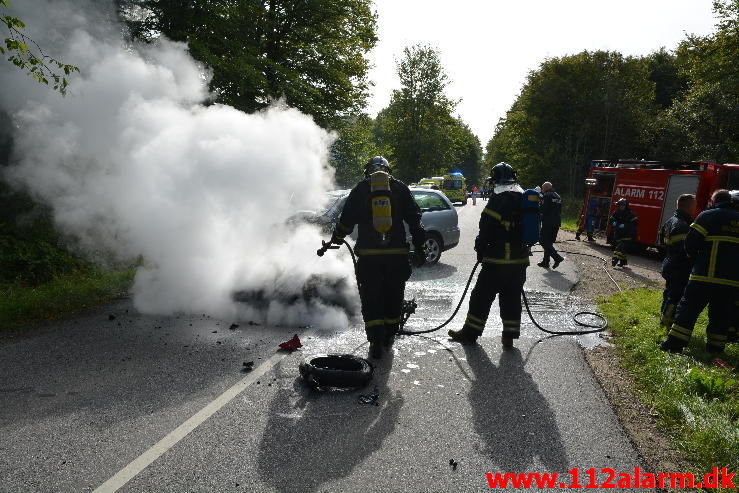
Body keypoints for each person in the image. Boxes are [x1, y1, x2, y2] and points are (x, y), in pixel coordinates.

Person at [330, 156, 427, 359]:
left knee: (371, 298)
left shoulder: (361, 189)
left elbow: (346, 220)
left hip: (369, 256)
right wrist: (421, 247)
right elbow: (415, 220)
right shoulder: (399, 188)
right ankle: (389, 336)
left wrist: (337, 238)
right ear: (388, 170)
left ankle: (375, 341)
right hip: (396, 256)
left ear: (368, 171)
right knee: (394, 296)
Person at [448, 162, 529, 348]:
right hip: (519, 261)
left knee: (481, 297)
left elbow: (487, 226)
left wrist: (481, 247)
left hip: (497, 260)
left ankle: (470, 333)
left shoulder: (499, 196)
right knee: (511, 298)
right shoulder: (523, 195)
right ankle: (509, 337)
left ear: (496, 179)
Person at [661, 189, 739, 354]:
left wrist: (697, 259)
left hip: (704, 276)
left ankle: (674, 345)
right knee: (721, 315)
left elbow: (690, 244)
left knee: (688, 310)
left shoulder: (707, 216)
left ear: (714, 201)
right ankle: (715, 349)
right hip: (731, 281)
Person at [658, 194, 696, 330]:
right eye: (694, 205)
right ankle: (666, 326)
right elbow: (686, 251)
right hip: (678, 268)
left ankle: (663, 321)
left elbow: (662, 242)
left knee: (668, 294)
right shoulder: (683, 226)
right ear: (689, 206)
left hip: (669, 263)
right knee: (674, 297)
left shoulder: (670, 220)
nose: (695, 207)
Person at [537, 182, 564, 269]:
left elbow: (543, 209)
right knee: (549, 242)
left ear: (546, 187)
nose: (542, 189)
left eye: (542, 188)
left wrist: (537, 209)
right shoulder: (557, 196)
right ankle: (545, 261)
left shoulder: (546, 195)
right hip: (556, 222)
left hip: (548, 222)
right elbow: (559, 210)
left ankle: (557, 258)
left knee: (542, 241)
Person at [609, 198, 638, 267]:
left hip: (627, 235)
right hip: (619, 234)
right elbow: (611, 219)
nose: (621, 207)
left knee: (619, 247)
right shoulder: (616, 212)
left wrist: (625, 226)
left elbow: (634, 224)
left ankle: (614, 260)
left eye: (623, 205)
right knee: (623, 249)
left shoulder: (631, 214)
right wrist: (613, 223)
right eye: (620, 205)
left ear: (626, 206)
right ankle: (623, 262)